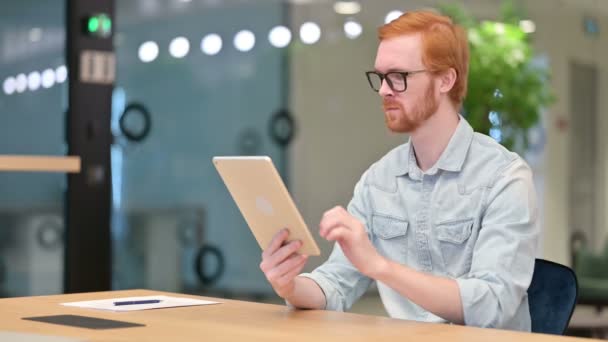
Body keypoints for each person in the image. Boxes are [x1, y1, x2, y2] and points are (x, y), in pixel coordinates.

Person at [258, 10, 538, 331]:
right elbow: (336, 285)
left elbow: (493, 305)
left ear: (446, 79)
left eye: (399, 77)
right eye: (380, 77)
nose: (384, 90)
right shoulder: (379, 180)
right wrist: (290, 286)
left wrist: (379, 266)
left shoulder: (504, 177)